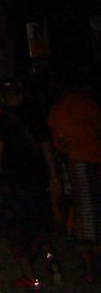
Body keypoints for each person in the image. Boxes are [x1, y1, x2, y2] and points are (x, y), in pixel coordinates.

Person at [0, 79, 62, 290]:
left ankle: (32, 279)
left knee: (16, 232)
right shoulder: (37, 117)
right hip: (37, 181)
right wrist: (53, 177)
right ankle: (51, 261)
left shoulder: (1, 120)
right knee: (39, 225)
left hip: (15, 184)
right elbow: (47, 151)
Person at [47, 70, 101, 284]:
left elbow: (60, 142)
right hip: (89, 162)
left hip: (78, 163)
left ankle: (90, 268)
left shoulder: (61, 110)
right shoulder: (89, 106)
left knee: (85, 215)